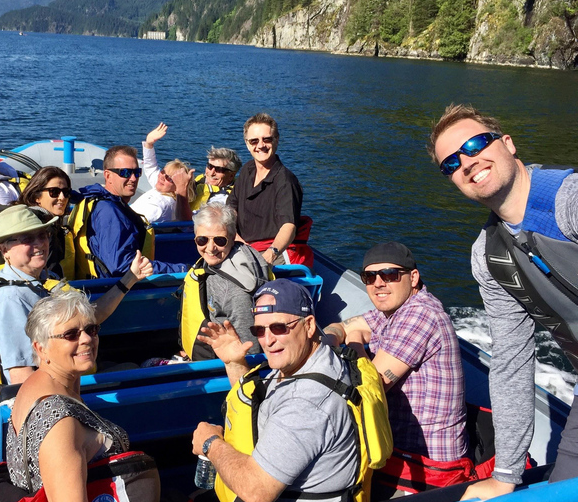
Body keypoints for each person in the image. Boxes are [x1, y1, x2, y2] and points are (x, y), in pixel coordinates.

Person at [428, 103, 578, 500]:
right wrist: (506, 474)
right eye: (451, 163)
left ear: (507, 144)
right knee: (560, 492)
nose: (467, 161)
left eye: (476, 143)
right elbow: (511, 361)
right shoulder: (489, 256)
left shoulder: (569, 201)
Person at [192, 279, 358, 502]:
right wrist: (234, 362)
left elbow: (256, 492)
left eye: (279, 328)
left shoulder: (307, 404)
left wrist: (210, 443)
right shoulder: (311, 358)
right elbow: (262, 406)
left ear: (309, 325)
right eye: (259, 330)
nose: (268, 340)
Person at [324, 242, 469, 495]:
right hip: (395, 449)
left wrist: (355, 340)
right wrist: (333, 337)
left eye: (390, 275)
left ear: (413, 278)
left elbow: (369, 388)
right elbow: (342, 326)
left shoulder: (421, 315)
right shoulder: (393, 309)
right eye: (369, 277)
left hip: (425, 465)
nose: (379, 283)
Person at [6, 290, 160, 501]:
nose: (87, 339)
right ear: (41, 349)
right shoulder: (60, 424)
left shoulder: (40, 386)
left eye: (91, 329)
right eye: (71, 334)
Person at [0, 205, 153, 386]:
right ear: (4, 250)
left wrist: (130, 278)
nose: (39, 244)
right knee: (140, 377)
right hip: (56, 394)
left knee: (133, 366)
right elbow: (23, 377)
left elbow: (92, 317)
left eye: (42, 235)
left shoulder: (42, 280)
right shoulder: (10, 301)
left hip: (71, 379)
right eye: (27, 239)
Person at [70, 145, 189, 278]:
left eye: (136, 172)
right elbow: (124, 267)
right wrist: (182, 269)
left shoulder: (99, 201)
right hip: (111, 291)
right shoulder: (110, 213)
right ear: (108, 175)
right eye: (125, 173)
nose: (133, 178)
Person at [180, 202, 271, 361]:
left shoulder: (235, 292)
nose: (210, 248)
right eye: (202, 240)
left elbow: (250, 350)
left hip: (221, 367)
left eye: (220, 241)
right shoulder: (217, 260)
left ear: (232, 237)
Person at [226, 113, 312, 268]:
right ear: (247, 144)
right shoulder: (247, 170)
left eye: (267, 139)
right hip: (242, 245)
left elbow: (289, 226)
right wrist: (235, 236)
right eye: (254, 141)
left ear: (276, 140)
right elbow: (232, 206)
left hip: (272, 252)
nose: (261, 145)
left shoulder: (285, 181)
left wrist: (271, 253)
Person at [18, 166, 75, 279]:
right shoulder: (42, 231)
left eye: (66, 192)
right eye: (54, 192)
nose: (62, 197)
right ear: (36, 197)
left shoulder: (25, 218)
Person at [131, 123, 195, 223]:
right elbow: (151, 166)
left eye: (169, 178)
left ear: (177, 187)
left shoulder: (160, 206)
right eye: (162, 172)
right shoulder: (163, 189)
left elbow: (132, 223)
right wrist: (149, 144)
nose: (162, 177)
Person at [190, 146, 243, 211]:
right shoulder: (196, 182)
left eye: (219, 169)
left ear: (231, 175)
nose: (211, 173)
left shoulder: (237, 195)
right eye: (210, 166)